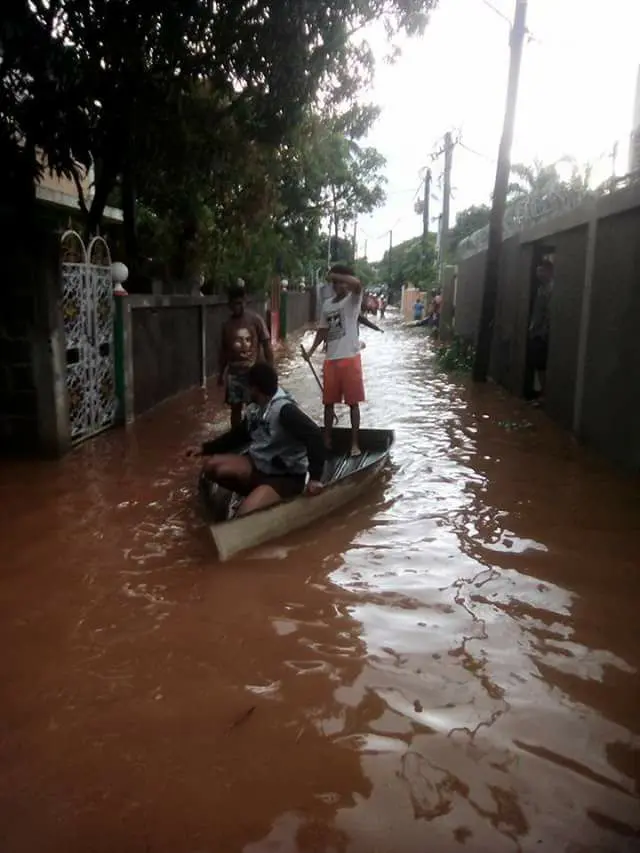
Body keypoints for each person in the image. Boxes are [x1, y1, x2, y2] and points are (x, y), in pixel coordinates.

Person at [192, 362, 325, 517]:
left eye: (249, 387)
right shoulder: (257, 408)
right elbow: (238, 435)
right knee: (211, 467)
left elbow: (314, 435)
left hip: (284, 477)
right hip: (260, 464)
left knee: (243, 517)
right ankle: (257, 494)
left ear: (255, 389)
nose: (246, 391)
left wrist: (315, 478)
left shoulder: (285, 411)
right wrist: (204, 448)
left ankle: (271, 497)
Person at [305, 263, 365, 456]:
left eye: (341, 282)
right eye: (335, 283)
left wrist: (336, 274)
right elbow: (323, 330)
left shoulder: (353, 300)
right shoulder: (328, 304)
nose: (339, 285)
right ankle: (327, 440)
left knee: (353, 403)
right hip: (331, 359)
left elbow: (357, 284)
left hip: (350, 358)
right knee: (328, 403)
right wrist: (311, 351)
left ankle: (355, 443)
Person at [219, 284, 273, 429]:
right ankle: (235, 437)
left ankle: (255, 435)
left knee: (255, 407)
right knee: (235, 409)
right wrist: (220, 374)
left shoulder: (255, 320)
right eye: (235, 303)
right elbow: (224, 351)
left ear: (245, 301)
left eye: (240, 303)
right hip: (234, 374)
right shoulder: (227, 325)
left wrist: (270, 369)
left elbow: (267, 344)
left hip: (252, 373)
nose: (238, 307)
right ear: (229, 304)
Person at [528, 258, 554, 403]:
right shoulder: (541, 289)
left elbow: (549, 313)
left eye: (542, 271)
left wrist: (544, 330)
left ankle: (545, 394)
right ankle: (542, 393)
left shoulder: (552, 289)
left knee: (542, 365)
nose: (539, 274)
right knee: (538, 364)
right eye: (538, 271)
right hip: (537, 332)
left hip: (543, 333)